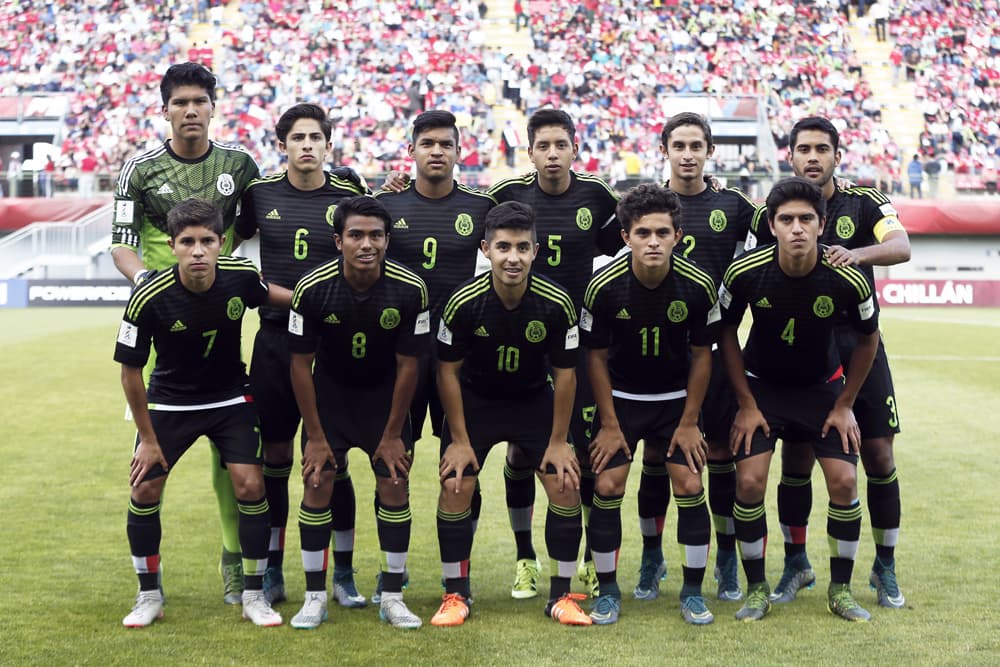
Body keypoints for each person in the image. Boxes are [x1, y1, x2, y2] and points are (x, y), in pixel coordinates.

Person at [110, 62, 261, 605]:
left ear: (213, 106)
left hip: (216, 311)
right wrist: (148, 280)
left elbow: (260, 217)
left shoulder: (239, 164)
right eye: (181, 102)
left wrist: (221, 270)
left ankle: (235, 562)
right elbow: (121, 242)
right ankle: (148, 588)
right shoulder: (140, 170)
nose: (191, 110)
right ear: (166, 109)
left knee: (236, 462)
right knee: (150, 456)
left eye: (200, 100)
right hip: (160, 317)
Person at [749, 116, 911, 610]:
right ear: (791, 156)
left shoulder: (864, 202)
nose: (813, 157)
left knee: (878, 456)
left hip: (857, 342)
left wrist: (850, 254)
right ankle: (796, 562)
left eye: (823, 148)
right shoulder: (774, 210)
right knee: (796, 458)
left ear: (837, 155)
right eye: (804, 149)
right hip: (798, 350)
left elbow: (901, 246)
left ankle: (885, 567)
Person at [115, 198, 289, 628]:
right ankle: (149, 594)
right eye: (188, 241)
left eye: (207, 240)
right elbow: (130, 374)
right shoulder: (148, 296)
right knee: (144, 491)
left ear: (222, 242)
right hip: (170, 403)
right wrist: (149, 440)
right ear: (172, 245)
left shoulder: (240, 276)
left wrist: (325, 300)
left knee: (250, 485)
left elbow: (275, 297)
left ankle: (254, 594)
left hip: (230, 399)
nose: (198, 250)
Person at [720, 177, 880, 623]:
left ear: (821, 225)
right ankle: (756, 590)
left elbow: (868, 341)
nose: (796, 228)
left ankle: (841, 590)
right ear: (771, 225)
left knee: (845, 484)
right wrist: (746, 403)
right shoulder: (746, 272)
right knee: (750, 483)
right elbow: (725, 333)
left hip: (821, 389)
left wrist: (845, 403)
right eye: (786, 219)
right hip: (763, 390)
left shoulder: (848, 277)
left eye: (805, 219)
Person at [430, 201, 590, 627]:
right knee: (455, 484)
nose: (513, 257)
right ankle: (455, 595)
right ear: (486, 249)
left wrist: (558, 442)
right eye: (503, 247)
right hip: (476, 402)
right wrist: (460, 442)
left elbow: (567, 375)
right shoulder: (464, 301)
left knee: (565, 482)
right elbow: (446, 372)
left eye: (522, 247)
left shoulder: (556, 303)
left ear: (535, 251)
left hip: (533, 400)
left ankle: (562, 597)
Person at [234, 103, 369, 606]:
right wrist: (271, 293)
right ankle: (271, 569)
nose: (307, 145)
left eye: (316, 137)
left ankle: (345, 572)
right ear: (283, 145)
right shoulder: (260, 194)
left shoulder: (349, 193)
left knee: (334, 460)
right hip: (275, 340)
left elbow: (374, 238)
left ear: (328, 145)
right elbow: (231, 251)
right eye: (298, 137)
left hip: (334, 343)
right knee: (275, 456)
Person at [488, 108, 622, 600]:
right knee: (522, 450)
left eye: (559, 145)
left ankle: (587, 560)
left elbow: (627, 232)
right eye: (542, 146)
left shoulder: (597, 195)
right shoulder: (508, 196)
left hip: (580, 343)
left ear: (574, 149)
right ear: (530, 152)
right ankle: (526, 558)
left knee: (584, 451)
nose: (551, 155)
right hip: (524, 341)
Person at [287, 196, 429, 629]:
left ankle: (391, 596)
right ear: (338, 241)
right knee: (317, 479)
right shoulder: (311, 290)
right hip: (330, 399)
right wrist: (314, 435)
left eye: (375, 235)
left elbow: (410, 366)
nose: (366, 244)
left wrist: (391, 434)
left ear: (387, 240)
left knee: (394, 483)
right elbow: (299, 364)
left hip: (384, 401)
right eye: (356, 235)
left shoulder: (411, 289)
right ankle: (315, 597)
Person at [581, 184, 720, 626]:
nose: (654, 241)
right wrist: (608, 423)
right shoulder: (603, 287)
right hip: (621, 400)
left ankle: (693, 594)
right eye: (643, 233)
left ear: (678, 235)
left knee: (690, 485)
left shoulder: (698, 285)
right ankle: (606, 593)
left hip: (676, 402)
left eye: (663, 232)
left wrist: (690, 421)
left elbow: (703, 355)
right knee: (607, 486)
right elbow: (595, 358)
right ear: (626, 237)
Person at [372, 109, 496, 602]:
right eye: (428, 144)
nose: (437, 151)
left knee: (463, 465)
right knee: (392, 464)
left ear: (458, 151)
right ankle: (393, 573)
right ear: (413, 152)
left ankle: (456, 574)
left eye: (446, 144)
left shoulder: (483, 206)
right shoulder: (386, 205)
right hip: (400, 356)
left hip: (460, 359)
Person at [657, 112, 759, 604]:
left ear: (709, 152)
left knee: (718, 455)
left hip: (714, 351)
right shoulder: (646, 206)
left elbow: (789, 216)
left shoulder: (733, 205)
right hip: (655, 354)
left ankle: (725, 555)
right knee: (658, 456)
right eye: (679, 145)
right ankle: (653, 556)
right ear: (666, 150)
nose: (688, 154)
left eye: (697, 145)